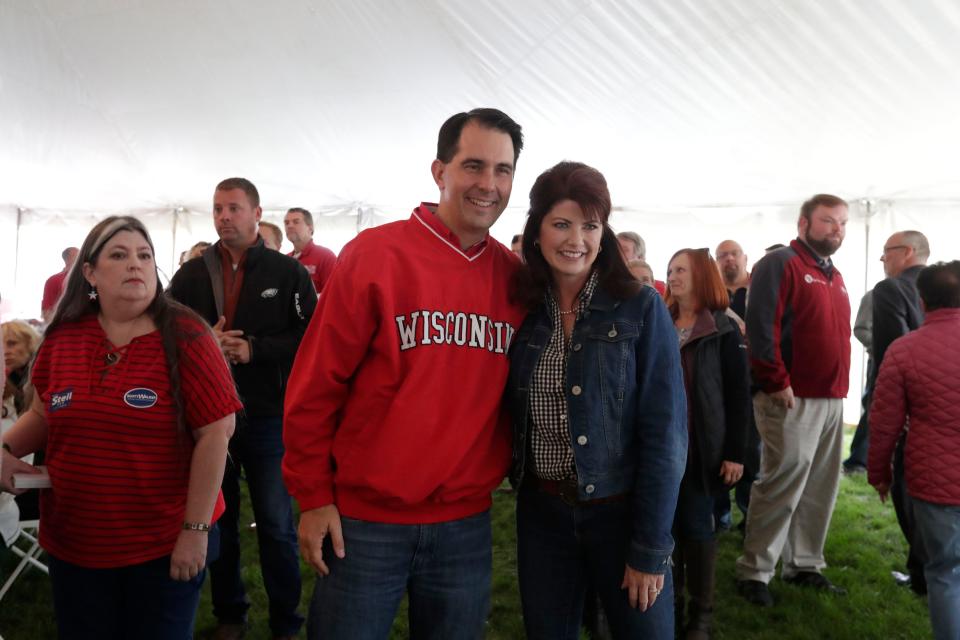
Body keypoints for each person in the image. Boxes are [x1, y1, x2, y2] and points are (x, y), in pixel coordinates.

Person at [282, 108, 525, 640]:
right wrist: (314, 497)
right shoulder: (375, 255)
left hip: (464, 524)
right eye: (474, 166)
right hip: (364, 523)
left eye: (502, 170)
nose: (488, 184)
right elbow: (314, 386)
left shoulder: (514, 279)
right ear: (439, 172)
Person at [0, 216, 240, 639]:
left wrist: (195, 531)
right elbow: (42, 414)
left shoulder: (186, 336)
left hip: (160, 543)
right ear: (90, 273)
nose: (136, 264)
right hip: (74, 540)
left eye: (144, 255)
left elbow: (216, 435)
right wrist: (4, 451)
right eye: (119, 254)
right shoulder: (64, 337)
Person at [507, 161, 686, 640]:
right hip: (542, 513)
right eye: (561, 224)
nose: (576, 240)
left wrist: (649, 548)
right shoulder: (521, 310)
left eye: (590, 225)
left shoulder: (640, 305)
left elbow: (666, 438)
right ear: (537, 230)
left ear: (603, 231)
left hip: (621, 514)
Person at [169, 178, 316, 640]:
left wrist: (255, 350)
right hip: (209, 419)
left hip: (269, 415)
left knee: (275, 524)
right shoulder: (191, 275)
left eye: (233, 208)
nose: (223, 216)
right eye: (217, 209)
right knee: (219, 520)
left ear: (256, 213)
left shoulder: (286, 272)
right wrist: (203, 343)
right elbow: (165, 335)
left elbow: (311, 338)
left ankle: (286, 623)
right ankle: (230, 614)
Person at [736, 194, 851, 606]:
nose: (836, 229)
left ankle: (804, 564)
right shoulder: (781, 262)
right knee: (781, 482)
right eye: (827, 221)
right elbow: (761, 325)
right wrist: (774, 380)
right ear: (804, 223)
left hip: (831, 398)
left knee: (821, 486)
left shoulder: (833, 274)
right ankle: (755, 571)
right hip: (789, 396)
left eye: (841, 223)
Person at [868, 261, 960, 640]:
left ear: (921, 301)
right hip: (937, 480)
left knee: (944, 572)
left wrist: (878, 473)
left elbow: (884, 422)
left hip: (934, 483)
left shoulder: (904, 350)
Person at [664, 248, 750, 639]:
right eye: (670, 269)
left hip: (702, 452)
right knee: (664, 531)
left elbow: (738, 395)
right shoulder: (659, 321)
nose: (672, 275)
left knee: (698, 529)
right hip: (661, 451)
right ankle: (672, 606)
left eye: (680, 269)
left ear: (701, 275)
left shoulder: (723, 328)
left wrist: (736, 452)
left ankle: (700, 617)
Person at [870, 229, 930, 594]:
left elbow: (890, 353)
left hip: (911, 411)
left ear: (906, 252)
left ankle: (925, 575)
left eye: (886, 252)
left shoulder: (890, 290)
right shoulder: (947, 283)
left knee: (909, 492)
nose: (882, 260)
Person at [713, 239, 758, 532]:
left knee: (751, 453)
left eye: (733, 254)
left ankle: (750, 514)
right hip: (720, 383)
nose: (729, 259)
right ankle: (721, 513)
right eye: (722, 256)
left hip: (755, 383)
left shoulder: (756, 292)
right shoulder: (713, 297)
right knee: (719, 449)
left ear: (744, 257)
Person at [284, 207, 338, 294]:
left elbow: (333, 294)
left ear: (310, 228)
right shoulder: (285, 260)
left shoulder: (326, 256)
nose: (289, 226)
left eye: (296, 222)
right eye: (286, 223)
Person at [41, 247, 79, 322]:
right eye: (78, 256)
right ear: (68, 259)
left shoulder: (88, 280)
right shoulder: (53, 280)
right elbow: (47, 311)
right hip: (63, 327)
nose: (82, 258)